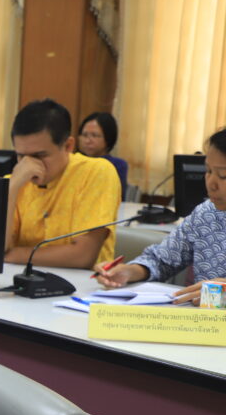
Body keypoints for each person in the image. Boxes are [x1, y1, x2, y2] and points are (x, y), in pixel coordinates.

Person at [95, 127, 226, 305]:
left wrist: (220, 294)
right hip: (200, 319)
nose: (211, 183)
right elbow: (162, 260)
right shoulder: (207, 214)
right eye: (208, 171)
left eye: (223, 175)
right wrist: (130, 272)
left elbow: (219, 296)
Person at [6, 99, 121, 269]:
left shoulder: (96, 172)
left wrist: (16, 254)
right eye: (21, 156)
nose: (28, 165)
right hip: (18, 278)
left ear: (68, 145)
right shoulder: (15, 181)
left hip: (81, 282)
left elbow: (82, 257)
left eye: (40, 156)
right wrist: (11, 188)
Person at [78, 111, 129, 200]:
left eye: (94, 135)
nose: (87, 141)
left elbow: (115, 197)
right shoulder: (75, 162)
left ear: (108, 138)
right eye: (85, 135)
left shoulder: (118, 165)